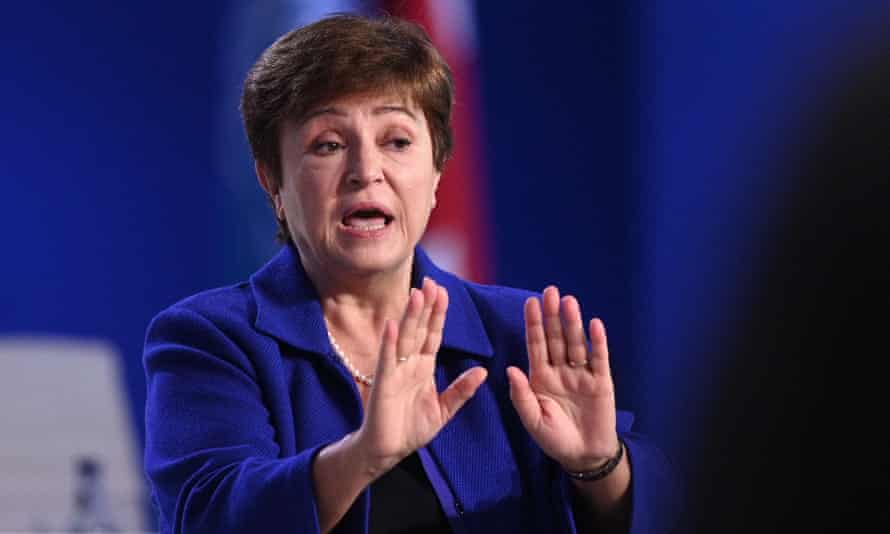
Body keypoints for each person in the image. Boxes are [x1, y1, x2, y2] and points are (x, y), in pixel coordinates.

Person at [143, 14, 678, 534]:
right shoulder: (210, 339)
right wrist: (364, 455)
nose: (365, 171)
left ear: (437, 171)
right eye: (328, 144)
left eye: (396, 141)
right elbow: (209, 516)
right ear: (272, 182)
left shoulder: (522, 335)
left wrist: (600, 465)